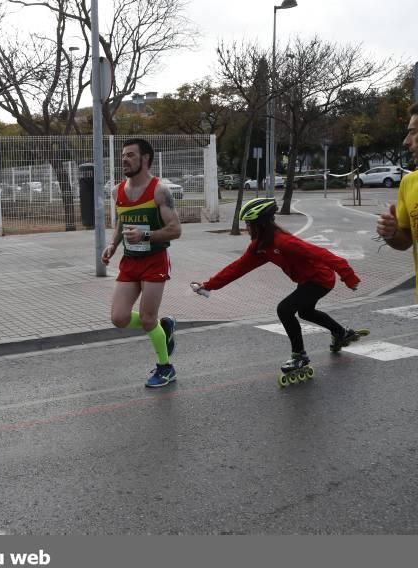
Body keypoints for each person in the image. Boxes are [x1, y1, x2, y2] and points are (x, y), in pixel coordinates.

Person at [192, 198, 365, 378]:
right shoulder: (261, 246)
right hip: (307, 280)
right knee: (305, 312)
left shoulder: (283, 242)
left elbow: (322, 253)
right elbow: (238, 268)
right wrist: (209, 285)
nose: (247, 228)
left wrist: (348, 276)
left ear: (260, 224)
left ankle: (299, 356)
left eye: (249, 224)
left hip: (320, 279)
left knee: (285, 309)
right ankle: (341, 333)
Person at [102, 138, 182, 388]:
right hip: (130, 261)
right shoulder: (117, 191)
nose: (124, 160)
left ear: (145, 158)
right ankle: (163, 327)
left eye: (130, 155)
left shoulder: (160, 190)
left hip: (155, 260)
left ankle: (165, 367)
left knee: (148, 319)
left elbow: (175, 230)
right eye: (123, 155)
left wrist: (146, 235)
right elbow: (122, 223)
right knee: (119, 318)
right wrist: (113, 245)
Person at [376, 102, 418, 298]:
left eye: (413, 132)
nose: (406, 141)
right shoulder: (409, 183)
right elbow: (405, 241)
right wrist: (391, 233)